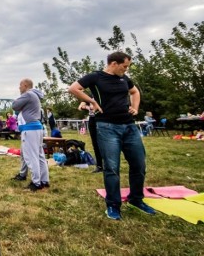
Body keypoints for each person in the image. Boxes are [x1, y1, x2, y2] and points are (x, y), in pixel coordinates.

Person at [69, 51, 156, 220]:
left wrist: (135, 108)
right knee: (111, 168)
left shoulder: (124, 79)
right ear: (113, 64)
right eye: (124, 66)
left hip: (129, 126)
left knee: (139, 164)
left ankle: (136, 199)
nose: (126, 70)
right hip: (107, 127)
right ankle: (113, 205)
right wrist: (92, 102)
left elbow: (135, 92)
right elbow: (74, 88)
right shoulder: (96, 77)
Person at [12, 79, 49, 191]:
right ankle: (44, 180)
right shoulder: (35, 95)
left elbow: (14, 106)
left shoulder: (28, 94)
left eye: (20, 85)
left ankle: (36, 183)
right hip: (37, 127)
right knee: (39, 155)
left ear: (25, 85)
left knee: (31, 156)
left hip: (30, 129)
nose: (19, 87)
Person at [79, 101, 103, 173]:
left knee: (105, 143)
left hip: (102, 119)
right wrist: (88, 107)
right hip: (92, 120)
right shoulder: (90, 97)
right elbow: (80, 106)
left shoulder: (102, 93)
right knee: (95, 144)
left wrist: (93, 107)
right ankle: (99, 166)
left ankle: (109, 165)